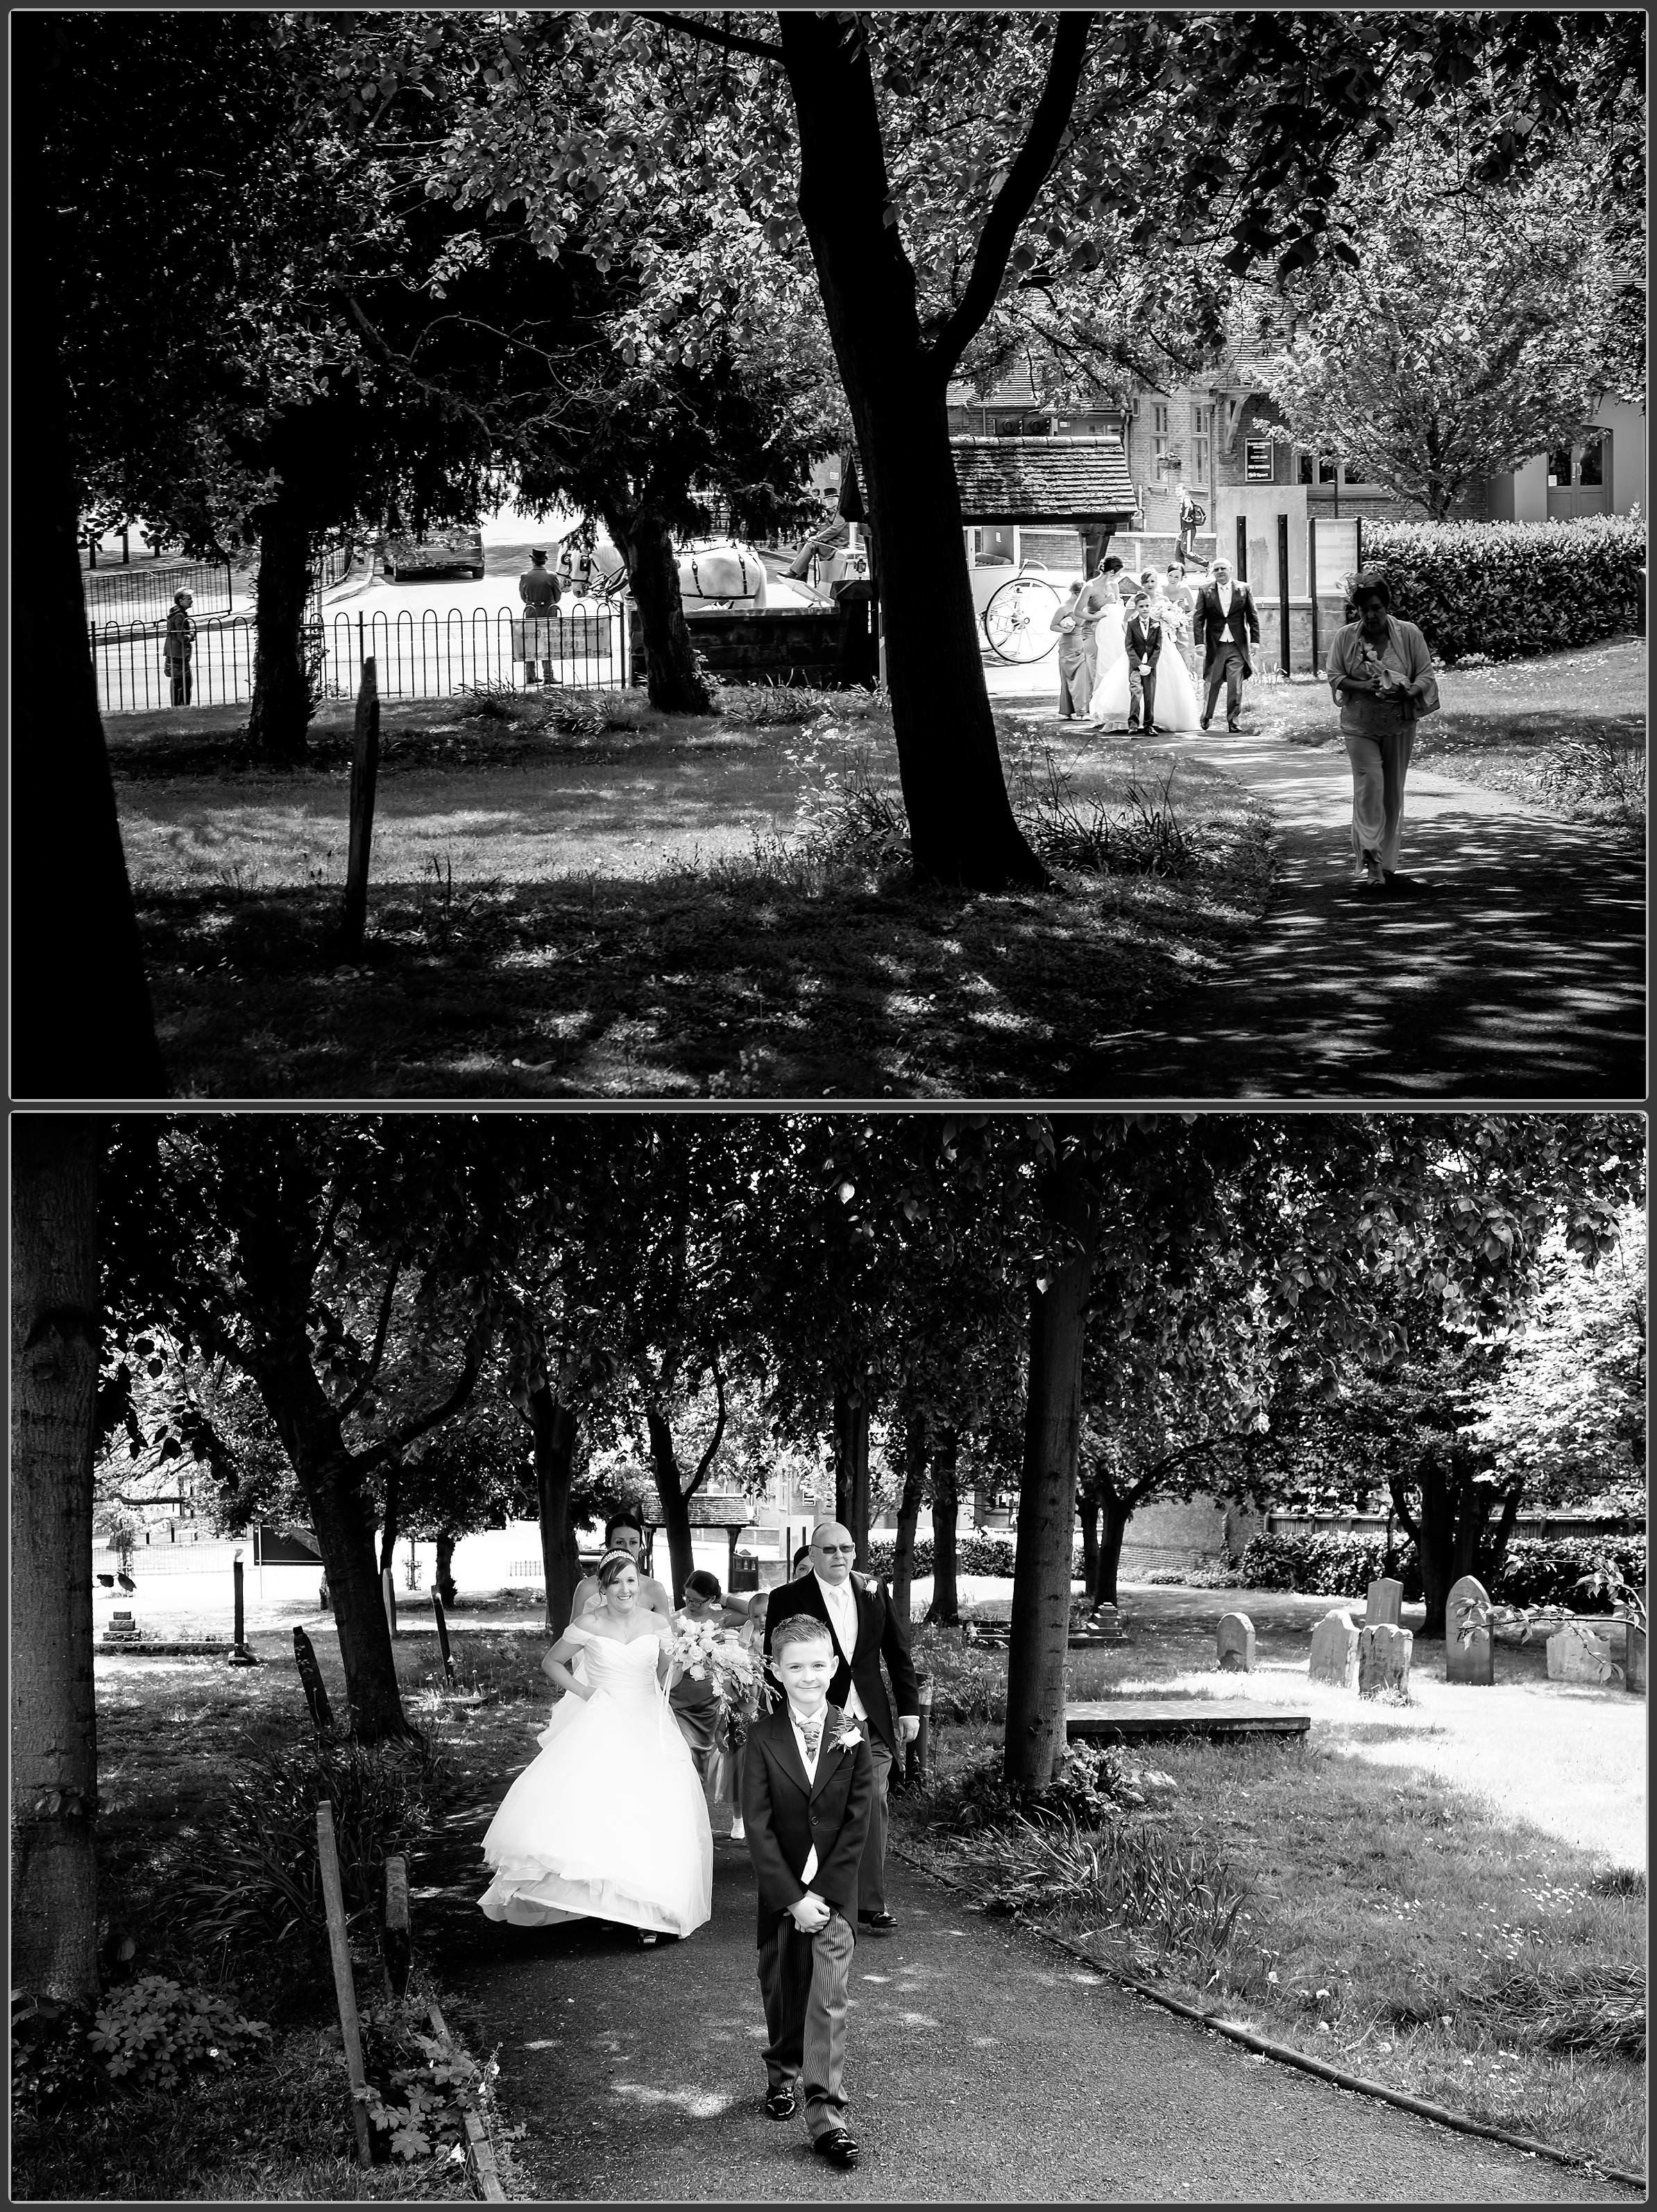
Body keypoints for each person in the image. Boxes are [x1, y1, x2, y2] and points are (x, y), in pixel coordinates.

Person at [479, 1551, 713, 1941]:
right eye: (617, 1582)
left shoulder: (657, 1622)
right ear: (602, 1588)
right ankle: (604, 1897)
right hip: (603, 1718)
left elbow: (664, 1669)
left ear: (640, 1586)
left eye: (632, 1581)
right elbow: (552, 1663)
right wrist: (585, 1692)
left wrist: (669, 1679)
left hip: (646, 1718)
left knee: (651, 1808)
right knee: (603, 1805)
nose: (625, 1588)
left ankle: (648, 1907)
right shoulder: (588, 1623)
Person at [742, 1613, 875, 2171]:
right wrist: (793, 1898)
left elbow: (858, 1822)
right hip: (782, 1894)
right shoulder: (762, 1737)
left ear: (833, 1666)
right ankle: (782, 2073)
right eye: (795, 1667)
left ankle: (827, 2117)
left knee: (827, 1997)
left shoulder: (853, 1734)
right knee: (783, 1988)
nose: (808, 1676)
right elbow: (757, 1822)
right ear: (777, 1670)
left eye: (818, 1665)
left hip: (835, 1894)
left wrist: (823, 1895)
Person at [763, 1522, 918, 1936]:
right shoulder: (787, 1598)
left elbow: (897, 1652)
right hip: (813, 1716)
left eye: (847, 1548)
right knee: (810, 1807)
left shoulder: (873, 1590)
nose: (839, 1556)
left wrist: (909, 1709)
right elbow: (772, 1663)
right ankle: (805, 1894)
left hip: (869, 1719)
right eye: (829, 1549)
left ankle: (870, 1902)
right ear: (812, 1554)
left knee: (872, 1806)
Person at [1325, 568, 1438, 888]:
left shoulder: (1409, 633)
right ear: (1356, 611)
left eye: (1377, 608)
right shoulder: (1346, 637)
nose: (1371, 615)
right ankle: (1371, 858)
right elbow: (1335, 675)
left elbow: (1426, 675)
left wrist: (1409, 692)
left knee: (1391, 794)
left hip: (1399, 725)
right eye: (1365, 610)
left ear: (1387, 606)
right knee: (1369, 786)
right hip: (1359, 725)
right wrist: (1363, 686)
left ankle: (1387, 862)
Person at [669, 1568, 728, 1794]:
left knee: (705, 1758)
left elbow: (753, 1608)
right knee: (686, 1753)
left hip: (709, 1699)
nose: (691, 1604)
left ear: (711, 1599)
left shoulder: (717, 1617)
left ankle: (698, 1806)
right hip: (680, 1698)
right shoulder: (676, 1619)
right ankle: (683, 1798)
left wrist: (721, 1597)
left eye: (698, 1601)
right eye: (688, 1598)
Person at [1192, 556, 1261, 731]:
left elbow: (1252, 616)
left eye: (1223, 569)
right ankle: (1206, 716)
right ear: (1212, 573)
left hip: (1237, 645)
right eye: (1216, 570)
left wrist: (1255, 641)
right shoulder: (1205, 590)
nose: (1220, 572)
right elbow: (1198, 618)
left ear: (1230, 569)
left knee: (1235, 684)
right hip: (1216, 645)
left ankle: (1233, 721)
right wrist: (1199, 643)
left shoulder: (1243, 589)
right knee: (1212, 682)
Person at [572, 1513, 672, 1622]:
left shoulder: (655, 1589)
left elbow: (667, 1635)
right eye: (620, 1542)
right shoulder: (586, 1588)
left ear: (640, 1546)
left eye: (633, 1542)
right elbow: (572, 1635)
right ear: (608, 1545)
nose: (627, 1548)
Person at [517, 547, 561, 687]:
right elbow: (558, 597)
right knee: (546, 644)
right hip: (548, 612)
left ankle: (530, 676)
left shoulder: (525, 576)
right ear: (544, 562)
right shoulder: (552, 576)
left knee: (530, 642)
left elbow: (523, 597)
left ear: (532, 561)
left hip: (531, 611)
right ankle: (548, 675)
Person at [1049, 580, 1093, 720]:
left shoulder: (1083, 607)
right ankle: (1078, 711)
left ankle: (1082, 709)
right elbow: (1053, 626)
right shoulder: (1063, 608)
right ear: (1075, 594)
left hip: (1082, 643)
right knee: (1070, 678)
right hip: (1068, 644)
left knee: (1082, 678)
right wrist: (1065, 628)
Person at [1123, 590, 1163, 734]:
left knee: (1149, 695)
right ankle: (1133, 724)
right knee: (1136, 692)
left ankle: (1148, 725)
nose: (1145, 609)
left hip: (1150, 667)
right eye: (1141, 606)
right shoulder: (1132, 625)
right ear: (1137, 608)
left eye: (1147, 606)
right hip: (1136, 666)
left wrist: (1150, 665)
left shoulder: (1157, 625)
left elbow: (1158, 647)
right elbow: (1129, 647)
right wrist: (1139, 665)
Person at [1164, 562, 1198, 677]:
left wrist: (1181, 618)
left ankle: (1183, 678)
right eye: (1171, 575)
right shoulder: (1161, 588)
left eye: (1177, 577)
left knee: (1182, 651)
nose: (1173, 579)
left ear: (1182, 578)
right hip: (1164, 627)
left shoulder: (1184, 589)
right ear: (1167, 575)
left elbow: (1194, 610)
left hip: (1179, 626)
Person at [162, 591, 196, 706]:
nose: (191, 601)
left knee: (178, 682)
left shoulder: (177, 613)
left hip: (174, 653)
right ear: (181, 600)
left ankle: (178, 706)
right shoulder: (179, 616)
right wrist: (191, 635)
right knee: (183, 683)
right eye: (189, 599)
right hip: (178, 654)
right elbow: (181, 637)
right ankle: (180, 706)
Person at [1176, 482, 1205, 561]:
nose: (1177, 492)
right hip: (1184, 529)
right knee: (1178, 547)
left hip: (1189, 529)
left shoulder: (1186, 499)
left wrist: (1185, 517)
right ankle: (1180, 570)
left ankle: (1208, 565)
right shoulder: (1183, 500)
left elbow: (1189, 508)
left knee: (1187, 552)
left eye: (1179, 491)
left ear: (1184, 491)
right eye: (1176, 491)